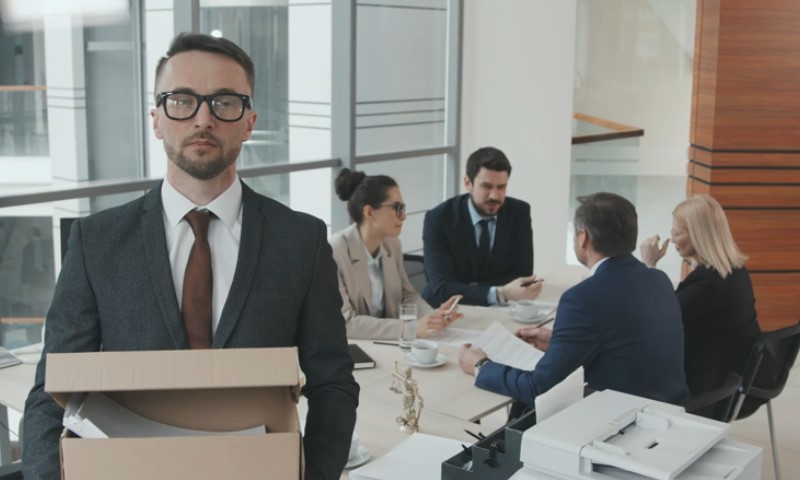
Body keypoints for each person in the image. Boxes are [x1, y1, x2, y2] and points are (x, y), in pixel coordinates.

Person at [22, 33, 358, 480]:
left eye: (224, 102)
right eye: (182, 100)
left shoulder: (302, 240)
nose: (203, 119)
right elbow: (51, 391)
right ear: (157, 119)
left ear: (249, 121)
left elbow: (333, 383)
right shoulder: (96, 242)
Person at [458, 193, 690, 407]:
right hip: (668, 415)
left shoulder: (582, 299)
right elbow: (625, 345)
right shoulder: (659, 280)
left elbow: (540, 389)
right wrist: (561, 341)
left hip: (616, 426)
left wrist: (481, 366)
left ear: (583, 237)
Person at [640, 194, 760, 397]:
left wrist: (650, 267)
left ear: (697, 235)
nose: (672, 240)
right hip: (739, 373)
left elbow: (659, 318)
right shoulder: (733, 270)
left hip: (712, 387)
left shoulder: (708, 283)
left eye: (677, 233)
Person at [330, 169, 462, 339]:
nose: (404, 216)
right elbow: (346, 323)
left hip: (390, 346)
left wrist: (433, 317)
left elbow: (407, 296)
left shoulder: (392, 244)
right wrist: (410, 328)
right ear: (369, 212)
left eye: (403, 208)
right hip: (354, 349)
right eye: (396, 208)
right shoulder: (336, 250)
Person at [422, 147, 541, 307]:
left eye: (501, 187)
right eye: (486, 187)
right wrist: (499, 292)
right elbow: (442, 287)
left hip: (500, 309)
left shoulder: (519, 212)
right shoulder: (439, 219)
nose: (495, 196)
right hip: (447, 309)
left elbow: (523, 276)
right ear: (468, 183)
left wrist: (470, 288)